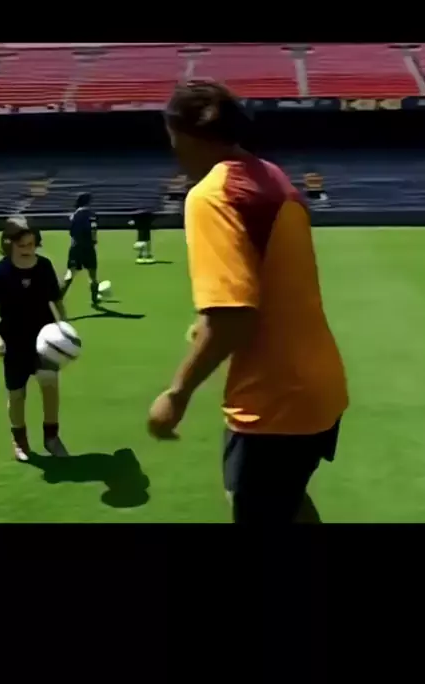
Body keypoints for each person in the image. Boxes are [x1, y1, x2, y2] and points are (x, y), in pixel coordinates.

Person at [147, 80, 349, 524]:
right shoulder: (270, 175)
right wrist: (209, 323)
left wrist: (176, 395)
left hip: (273, 399)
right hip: (320, 385)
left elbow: (232, 319)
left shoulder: (212, 195)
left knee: (255, 504)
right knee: (284, 498)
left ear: (184, 135)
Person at [0, 216, 69, 462]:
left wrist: (64, 327)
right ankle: (20, 441)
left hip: (45, 338)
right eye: (22, 245)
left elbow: (56, 301)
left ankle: (52, 438)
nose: (28, 250)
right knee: (17, 394)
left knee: (50, 386)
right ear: (9, 243)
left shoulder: (44, 267)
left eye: (32, 244)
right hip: (13, 340)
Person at [61, 192, 99, 306]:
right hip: (88, 248)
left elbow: (71, 232)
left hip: (75, 248)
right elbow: (93, 229)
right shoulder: (92, 214)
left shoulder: (74, 215)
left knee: (70, 275)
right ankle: (94, 299)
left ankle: (58, 298)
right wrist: (94, 240)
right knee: (93, 276)